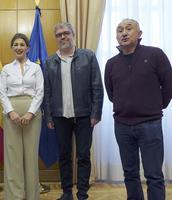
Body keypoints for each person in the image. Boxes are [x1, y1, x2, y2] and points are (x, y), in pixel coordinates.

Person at [104, 18, 172, 200]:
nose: (124, 33)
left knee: (154, 175)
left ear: (139, 34)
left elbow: (168, 85)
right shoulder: (111, 63)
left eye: (129, 28)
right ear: (116, 37)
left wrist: (157, 106)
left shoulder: (156, 54)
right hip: (122, 126)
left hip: (150, 124)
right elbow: (111, 94)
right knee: (130, 174)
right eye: (119, 30)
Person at [43, 22, 103, 200]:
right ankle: (67, 192)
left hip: (85, 115)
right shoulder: (49, 61)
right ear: (56, 38)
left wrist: (95, 113)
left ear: (73, 34)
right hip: (60, 116)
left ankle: (82, 193)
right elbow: (47, 91)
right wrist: (48, 116)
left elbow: (97, 87)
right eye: (59, 34)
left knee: (84, 156)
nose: (63, 37)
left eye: (66, 33)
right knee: (63, 156)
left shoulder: (88, 56)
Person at [0, 33, 44, 200]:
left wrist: (30, 113)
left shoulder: (36, 68)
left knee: (31, 155)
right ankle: (15, 196)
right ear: (12, 48)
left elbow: (40, 92)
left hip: (32, 114)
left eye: (22, 44)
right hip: (11, 115)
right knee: (13, 156)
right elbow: (2, 93)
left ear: (27, 48)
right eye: (15, 44)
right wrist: (11, 112)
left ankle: (32, 195)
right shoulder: (6, 69)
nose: (19, 47)